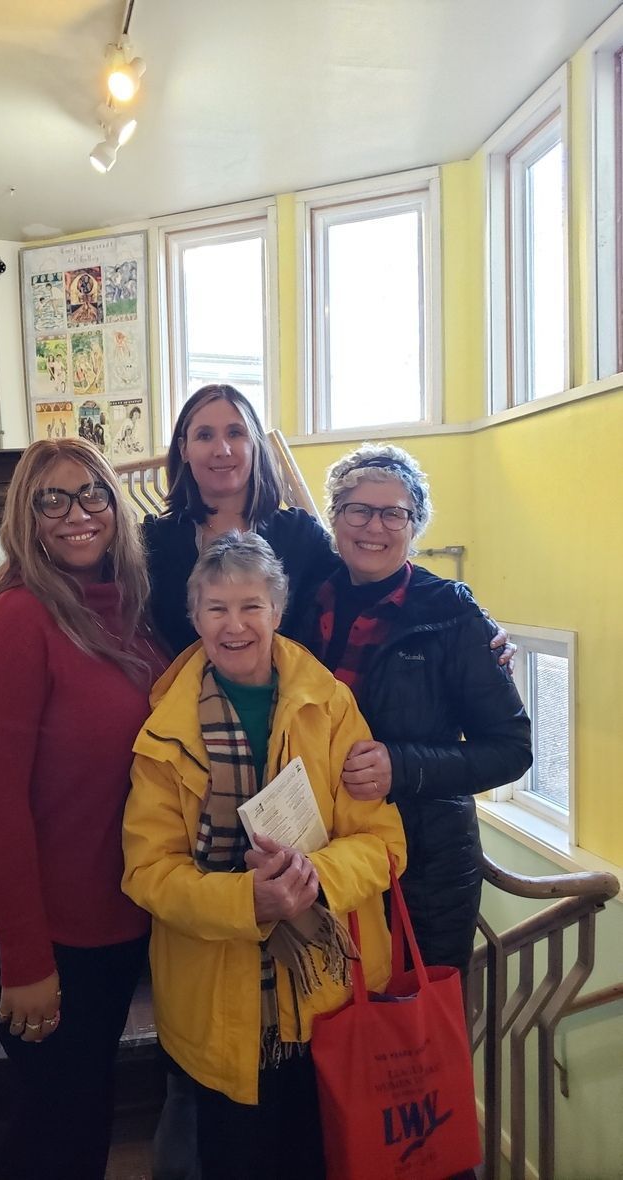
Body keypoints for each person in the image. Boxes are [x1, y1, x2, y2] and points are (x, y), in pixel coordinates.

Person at [123, 532, 407, 1180]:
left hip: (330, 995)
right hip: (217, 1003)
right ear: (194, 617)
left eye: (251, 606)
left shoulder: (330, 706)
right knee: (235, 1160)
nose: (235, 625)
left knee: (320, 1162)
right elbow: (147, 871)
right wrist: (247, 900)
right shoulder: (164, 728)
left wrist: (313, 876)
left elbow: (384, 844)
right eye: (217, 608)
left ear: (277, 610)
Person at [0, 437, 166, 1180]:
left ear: (115, 506)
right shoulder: (16, 620)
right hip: (34, 913)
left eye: (92, 493)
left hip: (110, 903)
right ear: (27, 517)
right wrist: (25, 957)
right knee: (56, 1117)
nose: (78, 513)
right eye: (53, 499)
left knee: (86, 1102)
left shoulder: (131, 614)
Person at [313, 443, 533, 972]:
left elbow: (511, 750)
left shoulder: (455, 617)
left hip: (423, 873)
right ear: (335, 518)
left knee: (413, 1017)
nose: (375, 526)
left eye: (394, 513)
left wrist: (402, 765)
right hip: (324, 852)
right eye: (358, 510)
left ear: (415, 526)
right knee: (331, 1009)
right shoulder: (304, 601)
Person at [144, 382, 513, 664]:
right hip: (183, 715)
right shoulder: (154, 544)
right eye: (205, 435)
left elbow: (372, 577)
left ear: (255, 445)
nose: (222, 449)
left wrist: (467, 618)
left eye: (235, 433)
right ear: (184, 450)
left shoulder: (299, 534)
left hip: (292, 718)